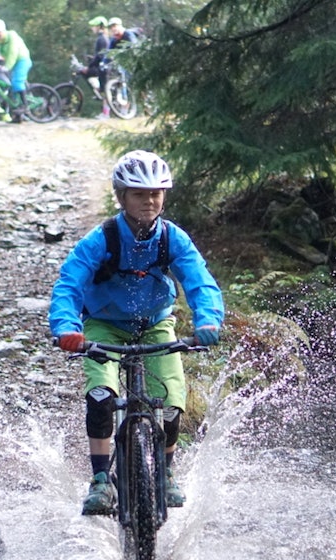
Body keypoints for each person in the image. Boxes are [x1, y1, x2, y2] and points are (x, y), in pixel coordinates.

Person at [49, 151, 224, 516]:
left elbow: (199, 280)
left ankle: (167, 471)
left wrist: (207, 320)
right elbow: (70, 283)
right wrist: (67, 327)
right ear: (121, 197)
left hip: (155, 323)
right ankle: (99, 480)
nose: (149, 202)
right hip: (104, 324)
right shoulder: (102, 239)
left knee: (173, 399)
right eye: (139, 194)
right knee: (100, 393)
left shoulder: (172, 237)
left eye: (156, 194)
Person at [81, 16, 111, 118]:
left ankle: (106, 113)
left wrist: (90, 65)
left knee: (104, 89)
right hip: (102, 67)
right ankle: (97, 90)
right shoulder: (103, 38)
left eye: (94, 26)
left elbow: (101, 55)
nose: (92, 28)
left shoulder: (101, 38)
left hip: (104, 68)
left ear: (99, 27)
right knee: (103, 88)